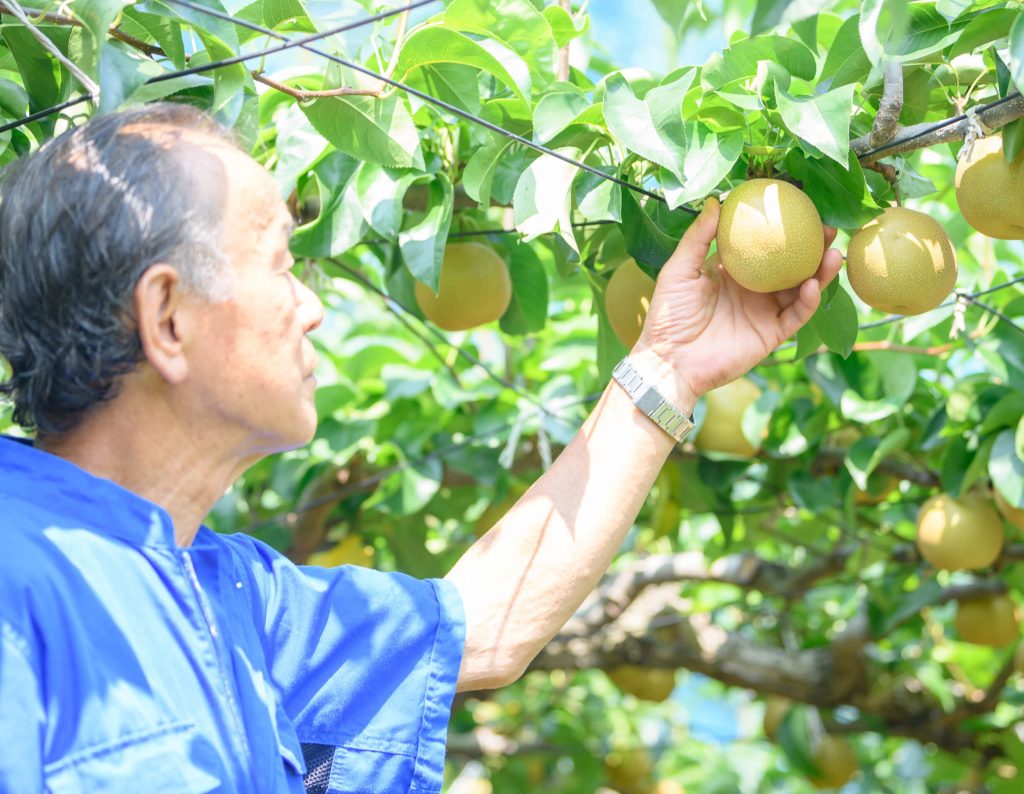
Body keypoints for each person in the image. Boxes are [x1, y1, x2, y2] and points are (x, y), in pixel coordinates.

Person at [0, 103, 842, 793]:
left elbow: (482, 630)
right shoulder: (18, 575)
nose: (313, 308)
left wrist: (670, 369)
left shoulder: (230, 593)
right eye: (282, 265)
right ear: (169, 317)